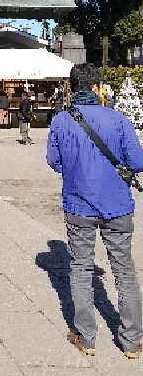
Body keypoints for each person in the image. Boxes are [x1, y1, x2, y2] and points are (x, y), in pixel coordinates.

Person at [47, 62, 143, 358]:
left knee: (80, 266)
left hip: (78, 203)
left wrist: (76, 171)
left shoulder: (61, 121)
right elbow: (138, 163)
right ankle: (131, 340)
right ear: (97, 87)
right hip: (116, 204)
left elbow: (54, 161)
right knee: (123, 269)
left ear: (73, 88)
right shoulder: (118, 120)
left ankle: (86, 336)